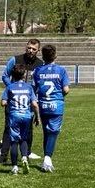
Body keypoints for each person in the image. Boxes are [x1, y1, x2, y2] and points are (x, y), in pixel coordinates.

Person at [31, 43, 68, 172]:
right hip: (56, 105)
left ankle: (46, 159)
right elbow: (66, 89)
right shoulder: (61, 70)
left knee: (46, 131)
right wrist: (59, 95)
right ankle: (47, 158)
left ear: (43, 56)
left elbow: (33, 89)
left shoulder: (37, 71)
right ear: (55, 56)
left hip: (43, 104)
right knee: (53, 131)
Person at [1, 60, 39, 174]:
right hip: (26, 116)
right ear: (24, 75)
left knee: (14, 141)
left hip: (14, 116)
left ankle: (14, 167)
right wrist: (37, 117)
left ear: (12, 75)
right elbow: (34, 104)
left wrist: (8, 101)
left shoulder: (10, 87)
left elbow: (3, 102)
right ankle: (24, 157)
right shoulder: (29, 88)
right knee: (24, 139)